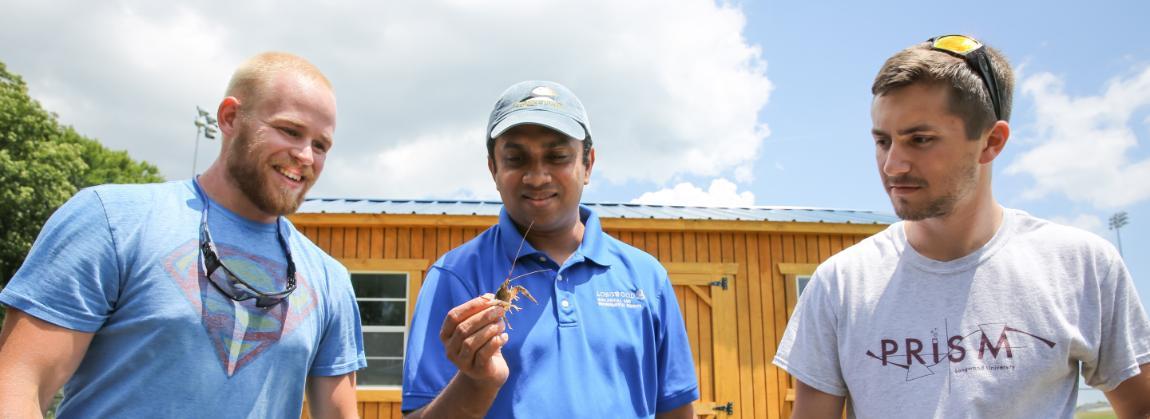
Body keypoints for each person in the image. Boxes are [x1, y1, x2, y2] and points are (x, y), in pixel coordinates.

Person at [773, 35, 1150, 417]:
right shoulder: (839, 284)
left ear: (992, 141)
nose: (892, 165)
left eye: (920, 140)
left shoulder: (1081, 266)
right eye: (883, 141)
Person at [0, 52, 365, 418]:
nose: (305, 155)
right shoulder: (111, 222)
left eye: (321, 145)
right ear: (230, 118)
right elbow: (16, 386)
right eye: (290, 130)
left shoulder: (328, 279)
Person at [401, 81, 698, 418]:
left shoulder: (647, 277)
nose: (538, 177)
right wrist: (477, 381)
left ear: (588, 165)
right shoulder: (453, 276)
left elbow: (676, 407)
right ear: (493, 169)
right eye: (515, 158)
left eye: (557, 157)